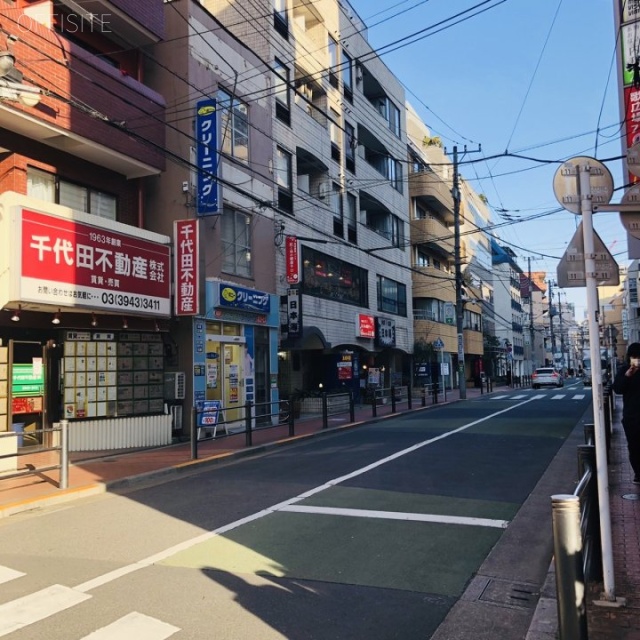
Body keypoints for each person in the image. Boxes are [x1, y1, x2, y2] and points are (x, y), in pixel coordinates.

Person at [613, 342, 640, 485]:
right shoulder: (624, 370)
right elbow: (617, 388)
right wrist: (627, 376)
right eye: (634, 357)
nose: (636, 360)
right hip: (631, 417)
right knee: (634, 446)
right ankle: (638, 472)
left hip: (631, 416)